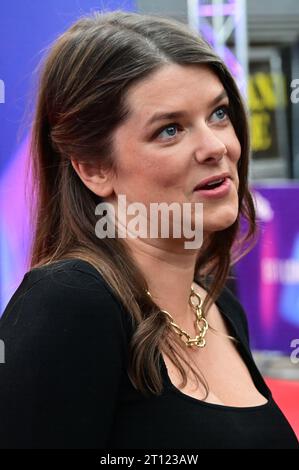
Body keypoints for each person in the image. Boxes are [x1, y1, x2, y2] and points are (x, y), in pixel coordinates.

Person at [0, 10, 298, 450]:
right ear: (94, 169)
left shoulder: (218, 304)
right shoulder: (68, 306)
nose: (217, 146)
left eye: (218, 113)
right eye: (170, 130)